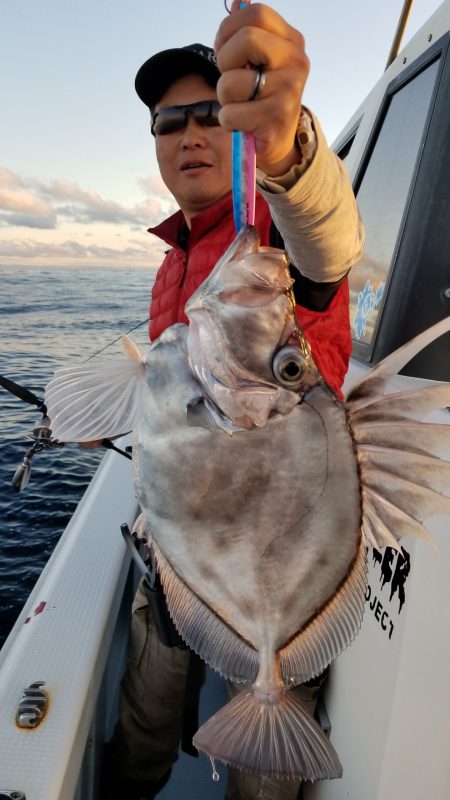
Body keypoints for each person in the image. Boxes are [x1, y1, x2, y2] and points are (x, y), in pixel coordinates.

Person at [101, 2, 364, 799]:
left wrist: (287, 152)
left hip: (270, 561)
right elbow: (164, 393)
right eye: (167, 120)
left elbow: (325, 242)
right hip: (178, 549)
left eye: (212, 113)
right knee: (143, 720)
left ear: (239, 129)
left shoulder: (269, 244)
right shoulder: (173, 256)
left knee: (262, 776)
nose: (188, 133)